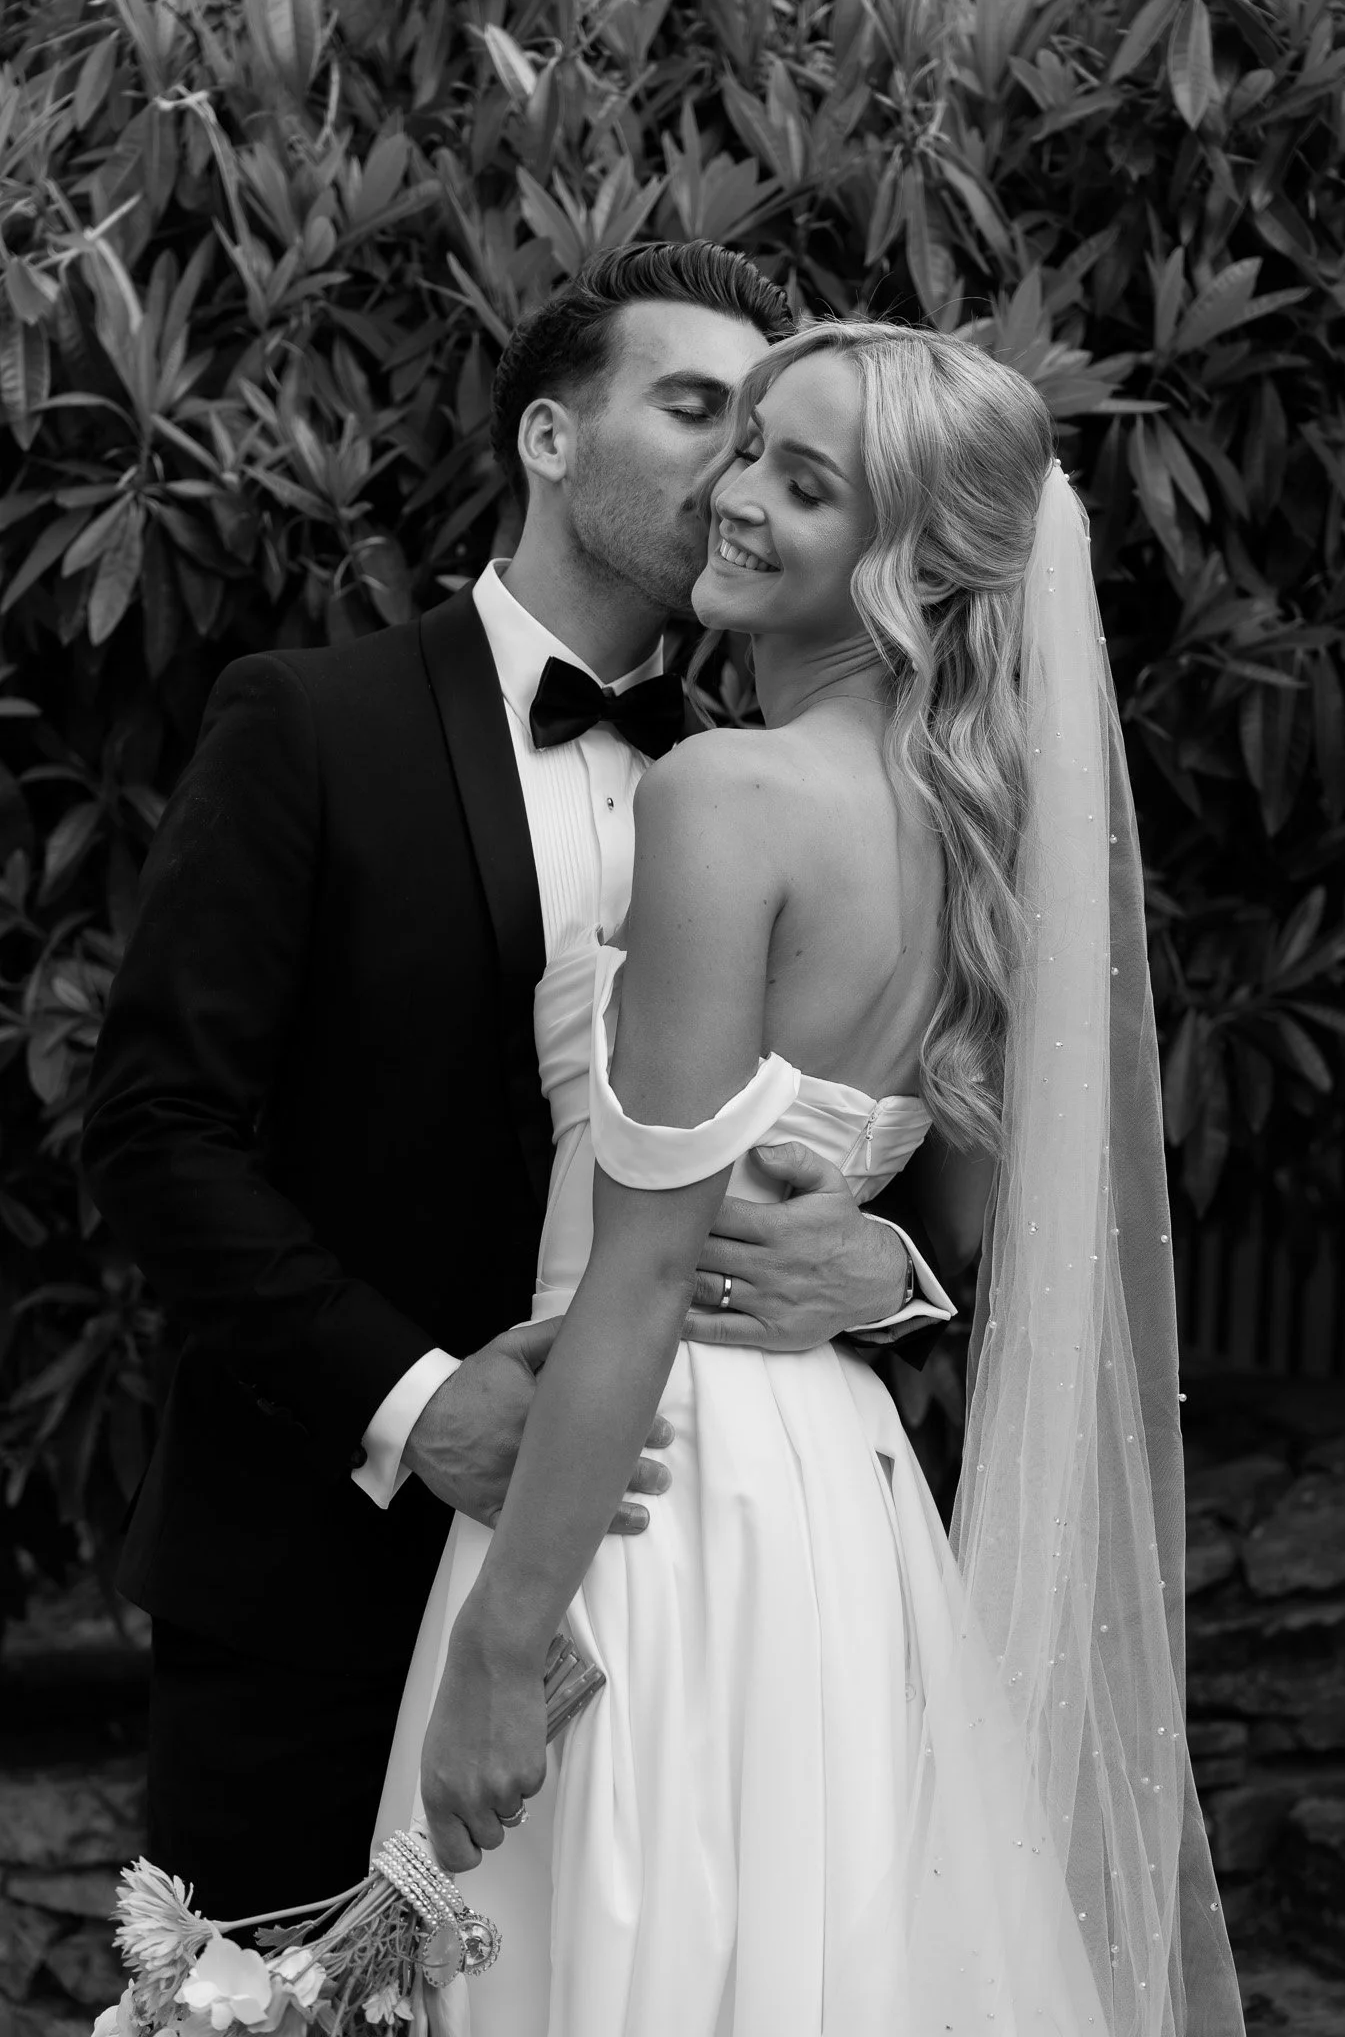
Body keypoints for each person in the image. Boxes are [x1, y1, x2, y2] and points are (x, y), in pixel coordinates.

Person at [380, 323, 1245, 2036]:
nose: (738, 495)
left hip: (640, 1501)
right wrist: (886, 1274)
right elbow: (977, 1223)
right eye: (747, 444)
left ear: (906, 559)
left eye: (804, 477)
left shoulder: (730, 793)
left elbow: (638, 1275)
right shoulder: (982, 834)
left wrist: (501, 1646)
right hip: (840, 1518)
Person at [80, 247, 954, 1924]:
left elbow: (889, 1117)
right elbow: (155, 1134)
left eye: (767, 430)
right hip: (322, 1573)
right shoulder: (311, 723)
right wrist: (422, 1405)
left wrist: (886, 1269)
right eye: (696, 407)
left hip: (673, 1589)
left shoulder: (779, 781)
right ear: (551, 438)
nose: (736, 467)